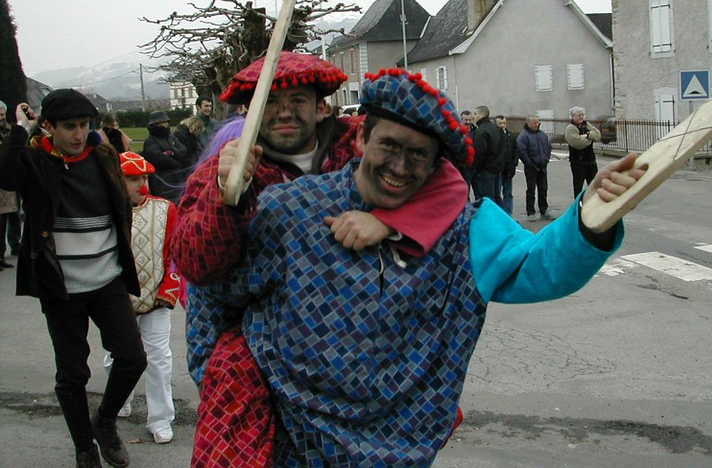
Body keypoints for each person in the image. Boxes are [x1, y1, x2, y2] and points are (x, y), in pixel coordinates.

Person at [186, 68, 643, 467]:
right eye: (388, 145)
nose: (400, 166)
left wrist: (591, 216)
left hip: (399, 446)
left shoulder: (466, 229)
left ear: (435, 163)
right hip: (290, 446)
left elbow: (540, 266)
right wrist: (210, 372)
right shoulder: (291, 209)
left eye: (418, 154)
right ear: (361, 139)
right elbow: (212, 293)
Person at [171, 51, 468, 287]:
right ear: (249, 111)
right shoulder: (222, 168)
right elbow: (196, 265)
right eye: (270, 102)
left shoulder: (359, 142)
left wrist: (389, 223)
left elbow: (450, 183)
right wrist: (223, 193)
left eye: (298, 100)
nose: (284, 112)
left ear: (321, 108)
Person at [0, 91, 147, 468]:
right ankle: (85, 448)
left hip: (108, 281)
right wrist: (22, 129)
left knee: (132, 358)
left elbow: (122, 207)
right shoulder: (37, 161)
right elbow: (6, 176)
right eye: (69, 127)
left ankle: (105, 422)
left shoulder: (103, 156)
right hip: (61, 287)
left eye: (84, 125)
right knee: (72, 374)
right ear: (50, 126)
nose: (79, 134)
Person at [104, 152, 180, 445]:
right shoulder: (107, 210)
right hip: (116, 300)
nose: (142, 184)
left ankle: (160, 418)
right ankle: (120, 398)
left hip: (155, 298)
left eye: (144, 177)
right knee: (117, 356)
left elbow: (173, 253)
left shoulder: (165, 209)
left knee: (159, 358)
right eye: (133, 179)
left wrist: (168, 290)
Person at [141, 111, 190, 202]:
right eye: (164, 122)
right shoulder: (150, 141)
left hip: (178, 179)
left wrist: (172, 152)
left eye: (167, 122)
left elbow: (183, 150)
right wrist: (176, 162)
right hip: (161, 182)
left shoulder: (171, 137)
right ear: (156, 124)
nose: (167, 124)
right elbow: (158, 158)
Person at [517, 115, 553, 222]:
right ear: (528, 123)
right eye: (535, 123)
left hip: (542, 166)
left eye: (538, 123)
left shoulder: (542, 134)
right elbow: (522, 152)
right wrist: (530, 164)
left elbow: (548, 147)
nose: (537, 125)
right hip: (531, 168)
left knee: (543, 189)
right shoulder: (523, 136)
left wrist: (546, 159)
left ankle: (544, 210)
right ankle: (531, 212)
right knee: (531, 190)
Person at [0, 100, 21, 267]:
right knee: (1, 220)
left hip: (13, 178)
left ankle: (15, 243)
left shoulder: (11, 130)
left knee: (14, 214)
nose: (1, 117)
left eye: (2, 114)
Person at [565, 106, 602, 198]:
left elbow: (597, 135)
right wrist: (591, 139)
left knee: (594, 185)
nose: (581, 117)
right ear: (573, 116)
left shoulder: (586, 125)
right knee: (578, 187)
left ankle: (593, 203)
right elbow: (578, 143)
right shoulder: (570, 128)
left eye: (582, 115)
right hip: (578, 163)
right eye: (579, 115)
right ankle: (578, 204)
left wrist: (587, 135)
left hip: (591, 161)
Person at [471, 105, 504, 205]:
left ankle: (491, 215)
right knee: (497, 195)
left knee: (488, 198)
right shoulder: (497, 129)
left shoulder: (480, 131)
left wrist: (475, 167)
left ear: (482, 115)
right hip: (497, 168)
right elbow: (504, 148)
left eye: (475, 114)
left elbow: (480, 152)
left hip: (486, 169)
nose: (473, 116)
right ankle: (500, 214)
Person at [495, 114, 518, 215]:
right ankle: (500, 214)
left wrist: (514, 163)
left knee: (508, 193)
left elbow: (515, 150)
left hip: (508, 170)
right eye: (500, 123)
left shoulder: (510, 136)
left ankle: (508, 214)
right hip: (498, 170)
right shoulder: (494, 136)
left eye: (504, 123)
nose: (502, 125)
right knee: (497, 193)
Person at [457, 110, 476, 190]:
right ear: (461, 120)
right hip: (463, 166)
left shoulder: (476, 131)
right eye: (466, 120)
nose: (468, 122)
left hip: (475, 166)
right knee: (464, 190)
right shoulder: (457, 132)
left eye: (469, 120)